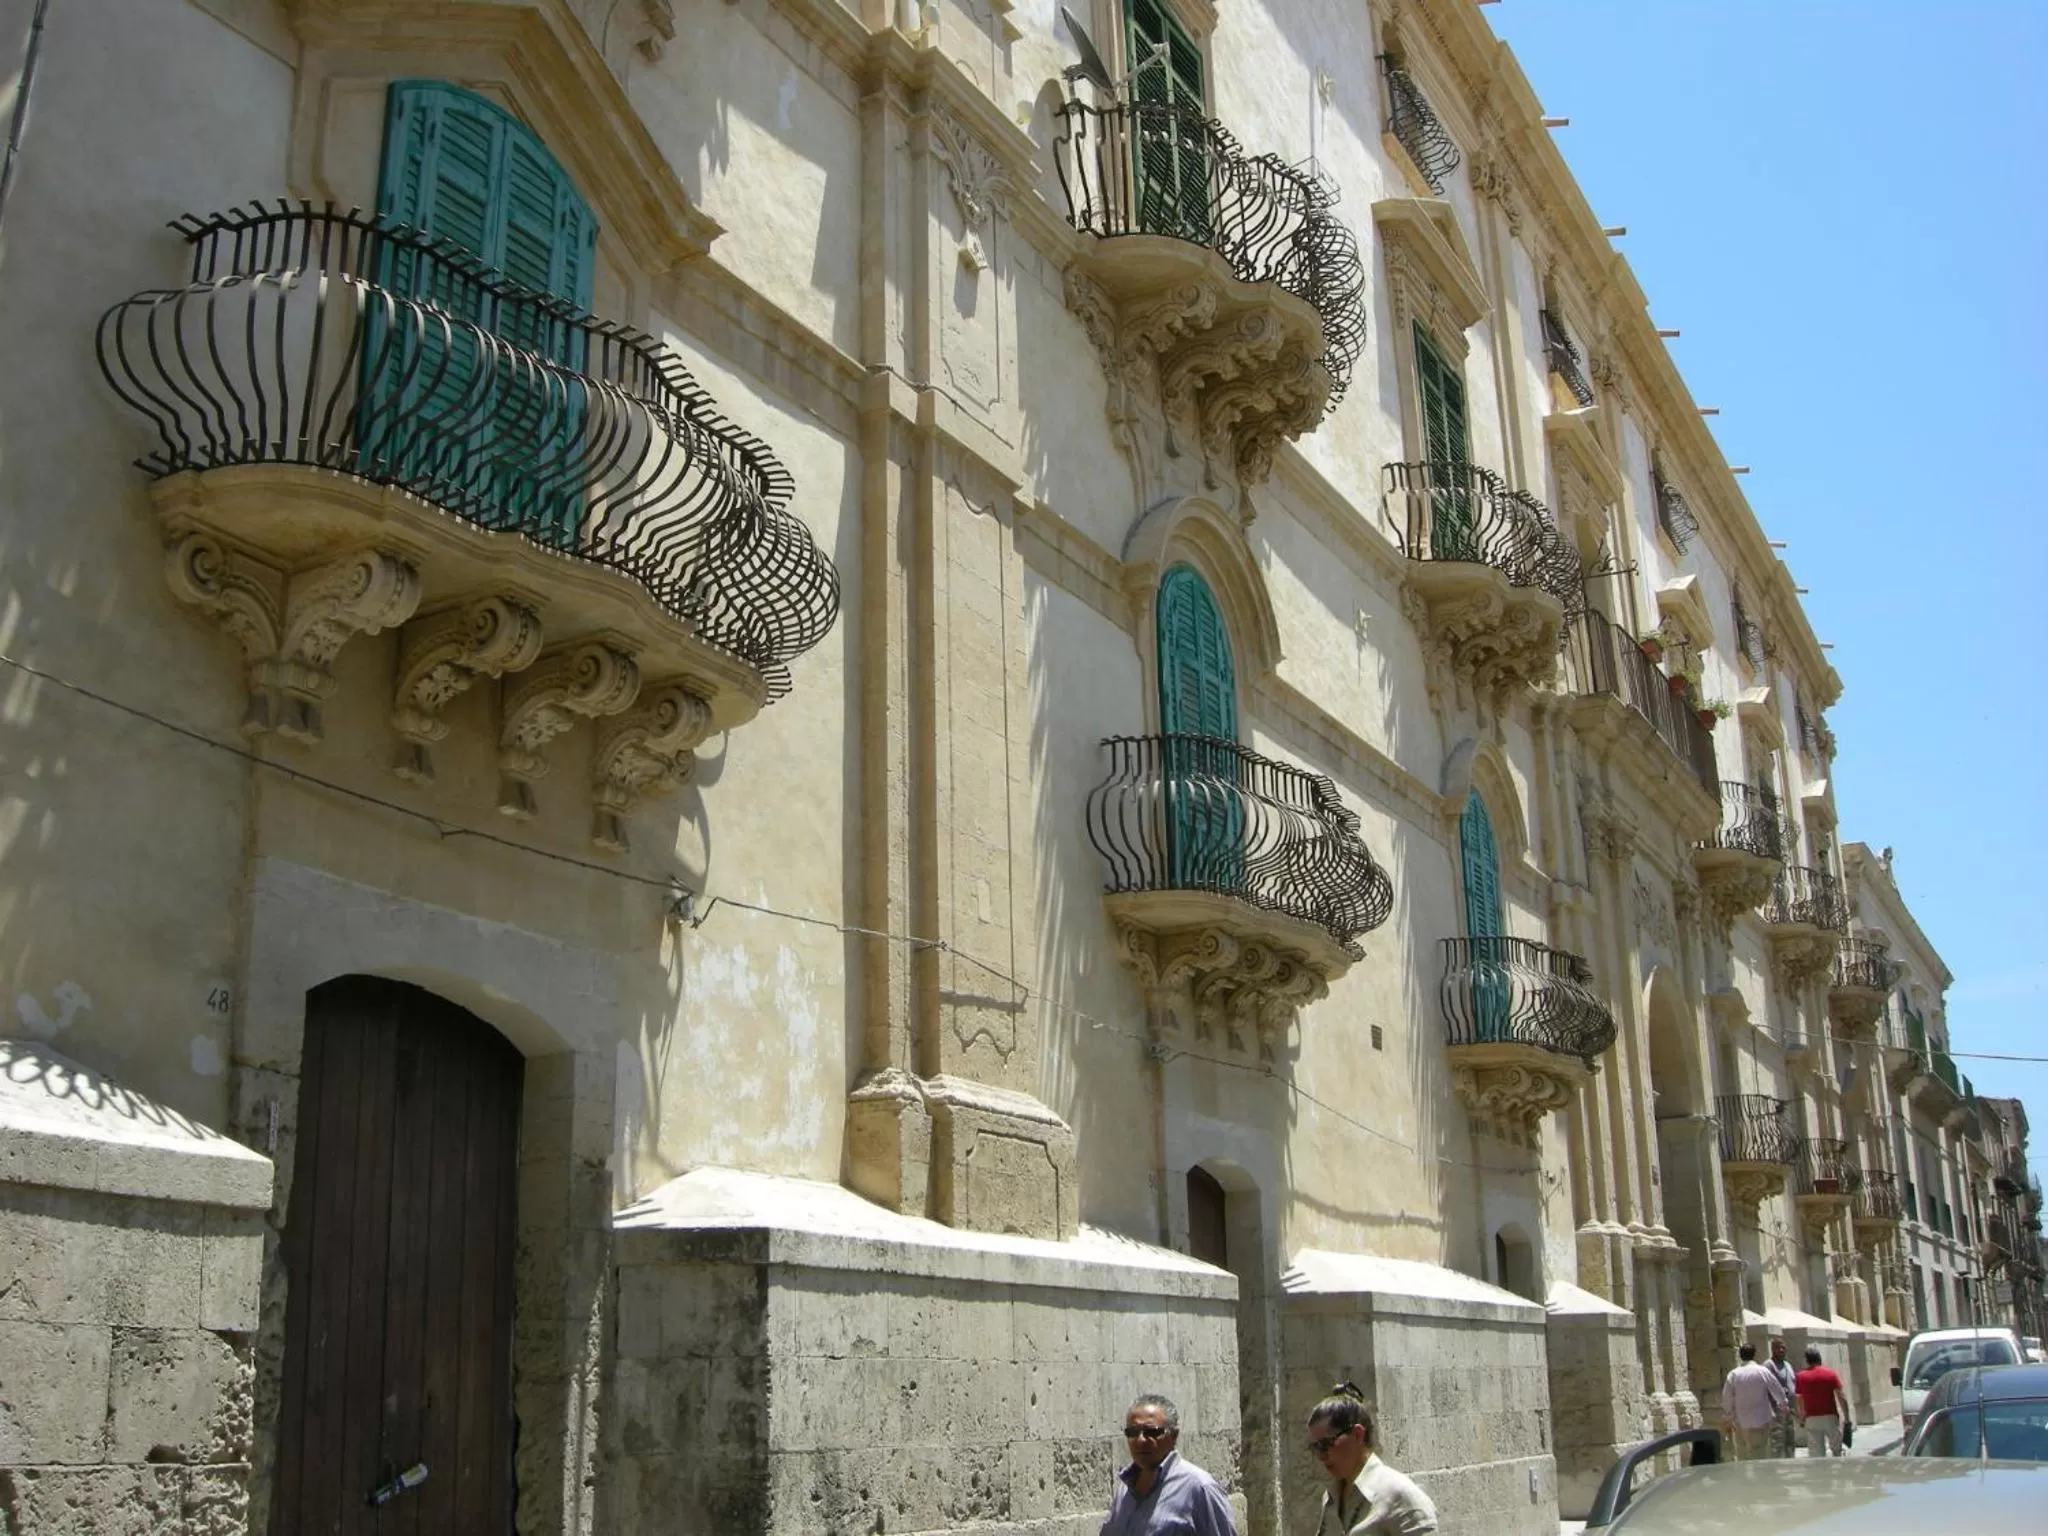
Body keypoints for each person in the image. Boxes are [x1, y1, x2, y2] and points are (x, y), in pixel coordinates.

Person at [1306, 1381, 1437, 1534]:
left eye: (1326, 1444)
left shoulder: (1401, 1496)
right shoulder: (1331, 1497)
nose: (1321, 1456)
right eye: (1315, 1447)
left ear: (1357, 1435)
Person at [1101, 1394, 1238, 1536]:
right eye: (1133, 1432)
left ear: (1173, 1436)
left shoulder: (1200, 1489)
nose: (1140, 1440)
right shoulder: (1124, 1490)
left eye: (1152, 1432)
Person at [1720, 1343, 1790, 1461]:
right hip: (1761, 1420)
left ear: (1740, 1356)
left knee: (1742, 1454)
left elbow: (1727, 1397)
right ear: (1754, 1355)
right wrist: (1784, 1405)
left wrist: (1728, 1417)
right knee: (1760, 1454)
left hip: (1741, 1421)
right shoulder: (1762, 1371)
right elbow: (1777, 1389)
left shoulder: (1734, 1374)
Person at [1793, 1345, 1851, 1457]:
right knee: (1837, 1449)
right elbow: (1841, 1396)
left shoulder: (1800, 1377)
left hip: (1811, 1418)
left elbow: (1800, 1400)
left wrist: (1802, 1418)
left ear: (1807, 1360)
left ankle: (1820, 1467)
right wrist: (1847, 1418)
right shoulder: (1830, 1374)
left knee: (1816, 1453)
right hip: (1830, 1416)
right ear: (1819, 1358)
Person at [1766, 1337, 1800, 1457]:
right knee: (1777, 1442)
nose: (1781, 1350)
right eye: (1778, 1348)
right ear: (1772, 1349)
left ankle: (1790, 1461)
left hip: (1789, 1410)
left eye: (1783, 1347)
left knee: (1790, 1440)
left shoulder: (1787, 1365)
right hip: (1776, 1411)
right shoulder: (1768, 1366)